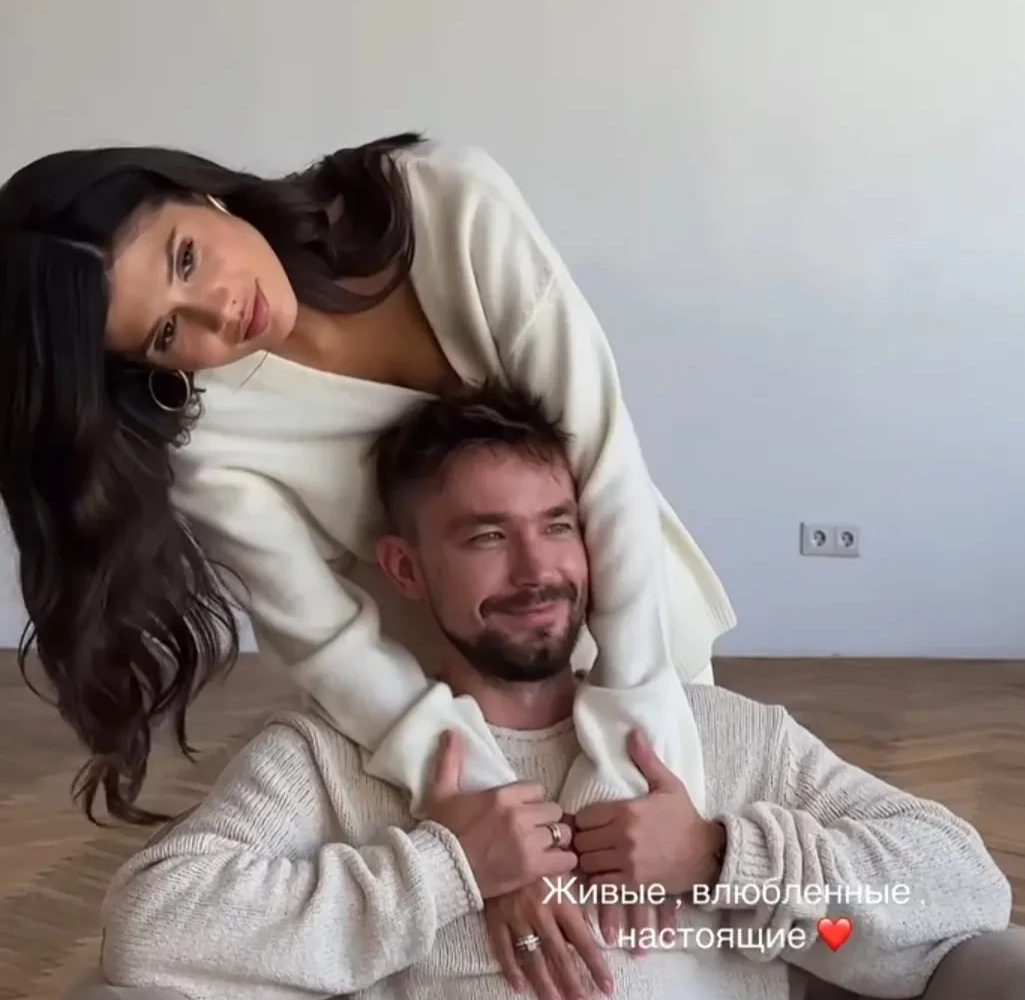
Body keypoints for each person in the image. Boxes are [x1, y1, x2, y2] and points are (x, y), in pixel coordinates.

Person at [99, 384, 1012, 1000]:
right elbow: (152, 928)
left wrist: (720, 856)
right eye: (486, 537)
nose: (537, 569)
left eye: (558, 525)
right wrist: (448, 867)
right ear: (406, 568)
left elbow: (965, 884)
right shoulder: (325, 757)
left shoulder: (727, 737)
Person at [0, 131, 735, 833]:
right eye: (166, 332)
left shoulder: (444, 200)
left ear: (197, 193)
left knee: (708, 886)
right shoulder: (204, 446)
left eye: (186, 259)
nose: (218, 312)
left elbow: (600, 461)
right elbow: (329, 641)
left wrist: (639, 723)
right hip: (468, 730)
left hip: (645, 647)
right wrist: (486, 806)